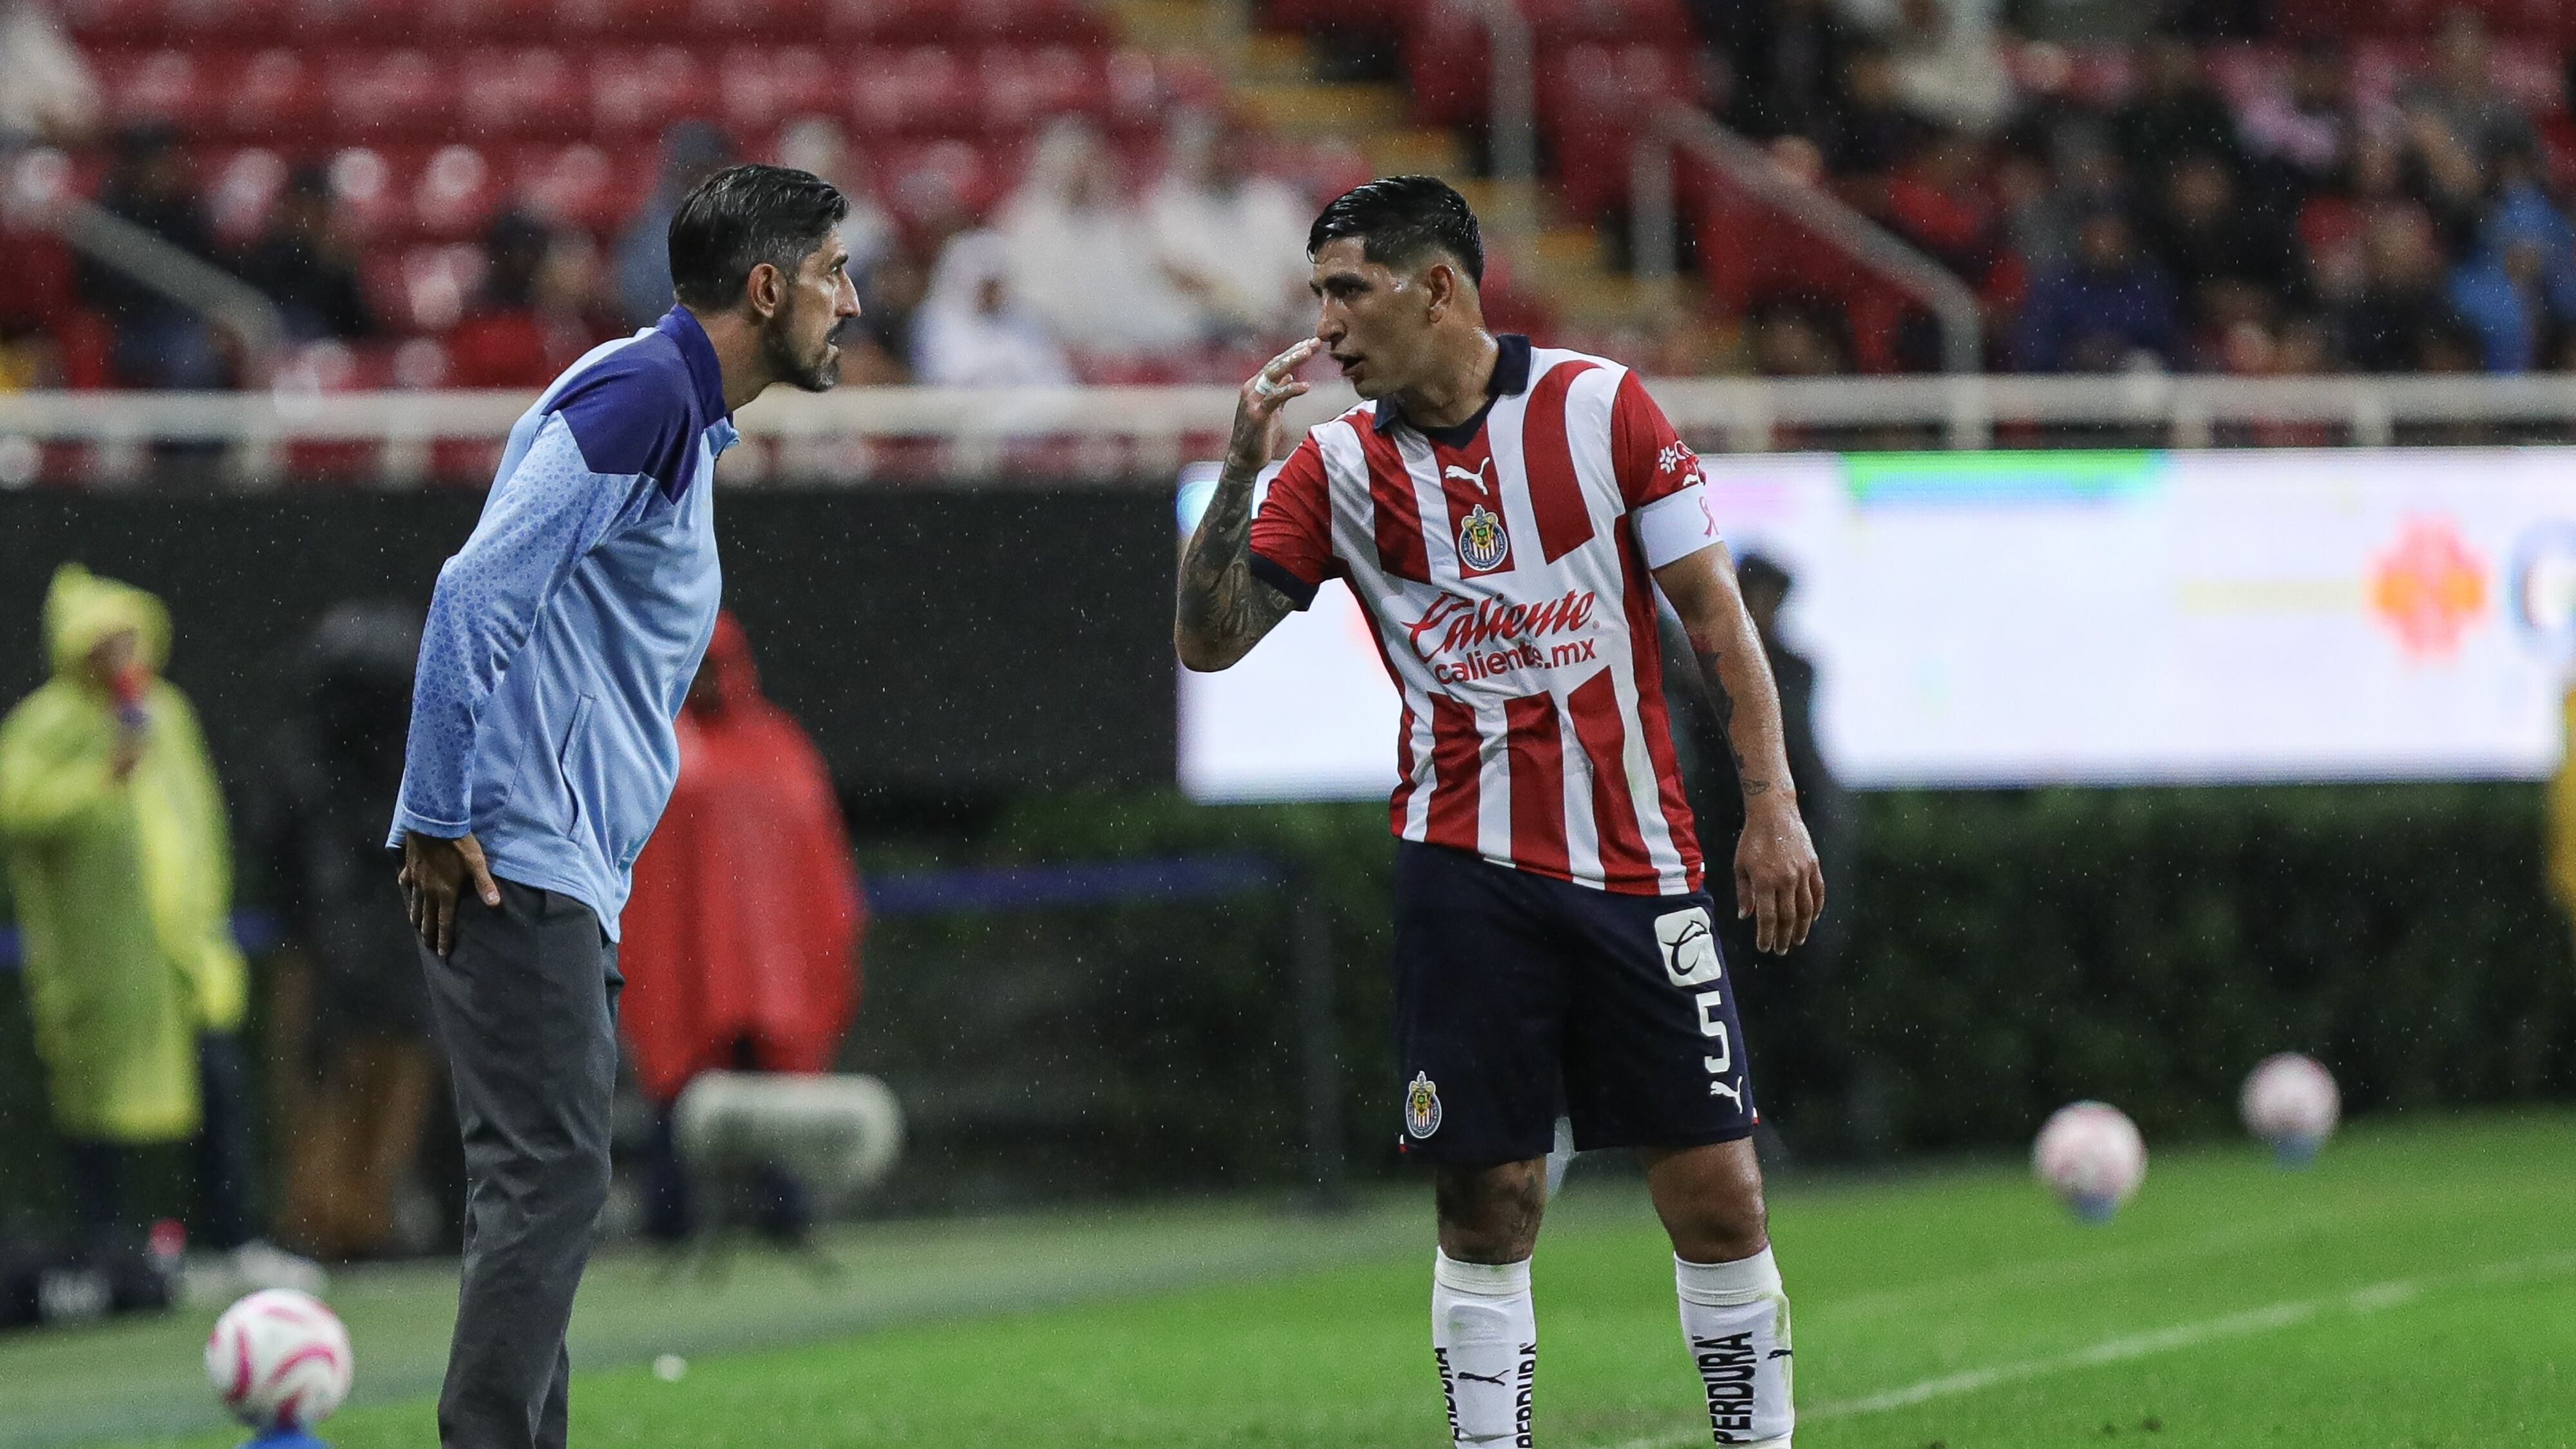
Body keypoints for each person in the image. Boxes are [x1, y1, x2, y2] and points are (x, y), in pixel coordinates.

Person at [1174, 176, 1823, 1449]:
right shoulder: (1334, 469)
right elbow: (1207, 644)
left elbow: (1713, 623)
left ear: (1437, 289)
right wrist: (1241, 470)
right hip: (1460, 871)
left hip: (1639, 862)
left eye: (1346, 293)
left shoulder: (1597, 407)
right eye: (1316, 297)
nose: (1325, 329)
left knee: (1716, 1191)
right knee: (1485, 1201)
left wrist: (1771, 805)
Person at [388, 163, 858, 1449]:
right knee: (548, 1184)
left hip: (544, 861)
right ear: (766, 289)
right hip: (512, 857)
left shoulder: (665, 409)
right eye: (831, 273)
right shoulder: (647, 393)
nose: (850, 302)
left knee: (536, 1192)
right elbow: (471, 594)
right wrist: (435, 818)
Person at [0, 565, 322, 1301]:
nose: (119, 655)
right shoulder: (45, 726)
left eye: (126, 638)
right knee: (99, 1115)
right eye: (103, 641)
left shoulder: (165, 712)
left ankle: (236, 1240)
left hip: (184, 953)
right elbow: (18, 810)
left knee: (219, 1096)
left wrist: (203, 919)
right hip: (101, 962)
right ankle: (107, 1254)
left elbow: (197, 819)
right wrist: (100, 781)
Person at [620, 611, 862, 1242]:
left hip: (766, 970)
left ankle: (784, 1219)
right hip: (686, 965)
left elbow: (813, 863)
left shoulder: (779, 748)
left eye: (712, 665)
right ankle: (669, 1226)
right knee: (678, 1099)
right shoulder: (661, 746)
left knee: (773, 1096)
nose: (703, 680)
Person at [256, 602, 440, 1260]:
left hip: (382, 937)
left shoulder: (398, 759)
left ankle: (363, 1211)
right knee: (330, 1071)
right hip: (334, 945)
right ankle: (324, 1213)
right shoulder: (311, 761)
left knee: (376, 1069)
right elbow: (284, 861)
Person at [908, 229, 1073, 386]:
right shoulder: (935, 322)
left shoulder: (1024, 318)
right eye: (987, 286)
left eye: (998, 284)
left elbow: (1054, 378)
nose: (994, 294)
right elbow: (948, 379)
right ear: (965, 282)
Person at [235, 165, 374, 344]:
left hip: (325, 351)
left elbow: (360, 329)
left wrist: (336, 261)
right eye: (302, 207)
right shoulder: (269, 254)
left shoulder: (336, 260)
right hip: (282, 341)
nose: (307, 217)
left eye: (315, 209)